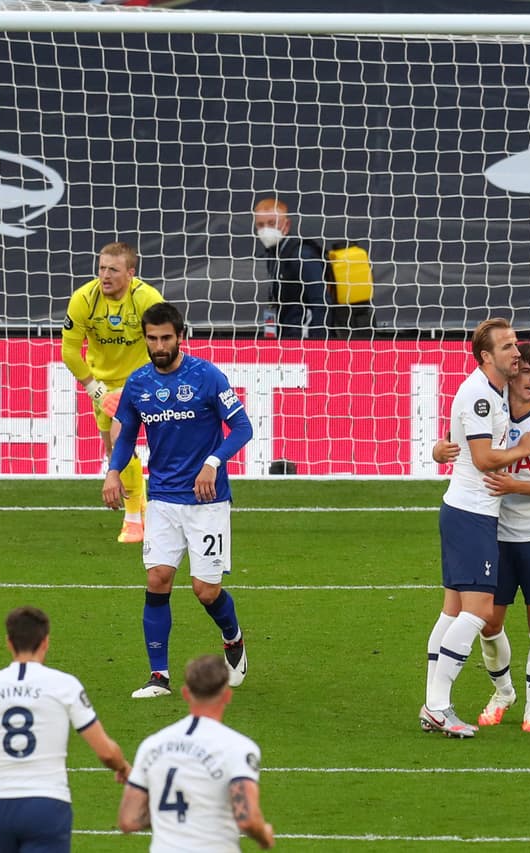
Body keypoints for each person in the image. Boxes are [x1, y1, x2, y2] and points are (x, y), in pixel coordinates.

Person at [103, 302, 255, 699]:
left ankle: (233, 637)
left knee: (205, 590)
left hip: (207, 500)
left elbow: (242, 427)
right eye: (152, 339)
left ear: (180, 336)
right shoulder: (138, 384)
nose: (159, 345)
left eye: (166, 338)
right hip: (164, 499)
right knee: (158, 579)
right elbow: (127, 436)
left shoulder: (206, 376)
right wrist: (113, 471)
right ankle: (159, 676)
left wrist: (213, 461)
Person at [420, 318, 530, 738]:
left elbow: (458, 440)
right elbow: (481, 459)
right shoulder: (479, 394)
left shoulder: (491, 388)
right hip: (472, 514)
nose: (517, 353)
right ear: (486, 356)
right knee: (477, 614)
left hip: (466, 511)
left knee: (453, 612)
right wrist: (526, 448)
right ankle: (438, 706)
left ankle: (433, 705)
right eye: (509, 347)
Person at [0, 606, 130, 852]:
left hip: (1, 806)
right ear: (46, 641)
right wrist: (123, 767)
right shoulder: (64, 686)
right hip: (47, 804)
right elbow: (106, 752)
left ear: (9, 642)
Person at [61, 241, 163, 543]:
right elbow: (69, 351)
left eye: (113, 269)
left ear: (130, 273)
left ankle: (133, 519)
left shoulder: (147, 299)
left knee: (122, 437)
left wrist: (153, 380)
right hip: (101, 384)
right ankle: (141, 505)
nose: (105, 275)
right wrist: (97, 391)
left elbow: (163, 342)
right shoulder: (84, 299)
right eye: (101, 268)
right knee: (113, 451)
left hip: (141, 380)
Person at [118, 654, 274, 851]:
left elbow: (128, 820)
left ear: (185, 693)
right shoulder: (239, 748)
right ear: (227, 695)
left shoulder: (152, 746)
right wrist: (264, 837)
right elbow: (247, 820)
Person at [253, 197, 330, 340]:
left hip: (304, 340)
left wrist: (318, 345)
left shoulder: (302, 255)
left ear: (286, 225)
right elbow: (273, 302)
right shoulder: (273, 255)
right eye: (260, 225)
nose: (265, 230)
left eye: (271, 223)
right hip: (284, 337)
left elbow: (321, 303)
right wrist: (270, 337)